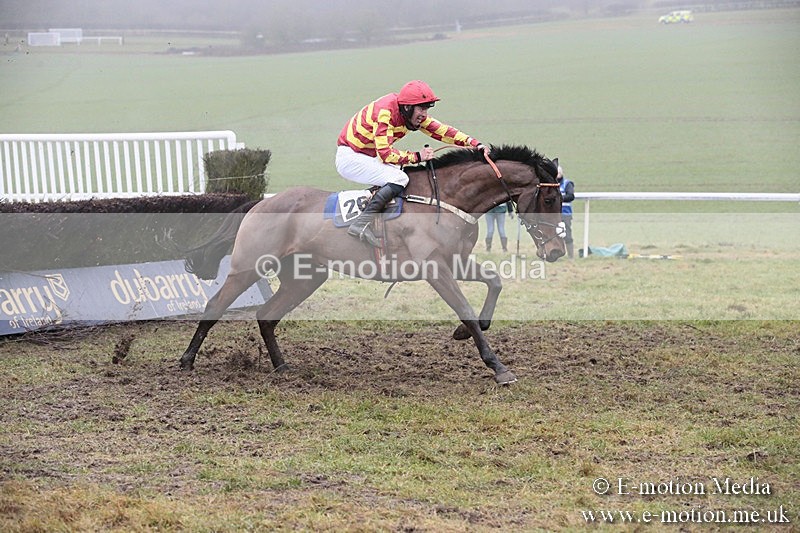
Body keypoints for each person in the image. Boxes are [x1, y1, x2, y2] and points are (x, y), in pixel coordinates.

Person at [336, 80, 488, 247]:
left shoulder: (408, 111)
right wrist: (417, 156)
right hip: (352, 157)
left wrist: (475, 144)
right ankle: (360, 224)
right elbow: (385, 154)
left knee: (403, 174)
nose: (424, 114)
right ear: (407, 108)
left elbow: (442, 131)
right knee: (399, 178)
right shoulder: (385, 112)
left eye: (427, 109)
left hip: (368, 156)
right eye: (422, 109)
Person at [557, 164, 576, 259]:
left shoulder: (567, 184)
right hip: (554, 215)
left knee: (567, 235)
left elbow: (571, 196)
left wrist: (558, 198)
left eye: (558, 173)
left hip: (565, 214)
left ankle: (571, 256)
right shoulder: (550, 184)